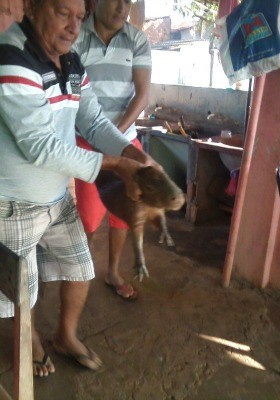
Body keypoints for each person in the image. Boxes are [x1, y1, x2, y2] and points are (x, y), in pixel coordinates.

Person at [0, 0, 156, 377]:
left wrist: (133, 153)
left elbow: (94, 120)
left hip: (56, 198)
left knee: (81, 269)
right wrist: (117, 164)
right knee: (20, 294)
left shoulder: (70, 61)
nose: (73, 26)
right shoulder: (11, 56)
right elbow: (39, 145)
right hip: (13, 203)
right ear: (32, 8)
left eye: (79, 17)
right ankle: (32, 344)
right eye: (61, 13)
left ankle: (65, 336)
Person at [73, 0, 151, 300]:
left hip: (125, 138)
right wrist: (105, 142)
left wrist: (115, 140)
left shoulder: (137, 40)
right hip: (85, 141)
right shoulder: (76, 37)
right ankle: (78, 271)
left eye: (129, 1)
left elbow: (142, 95)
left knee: (124, 211)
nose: (123, 7)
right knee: (89, 216)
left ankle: (112, 272)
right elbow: (76, 97)